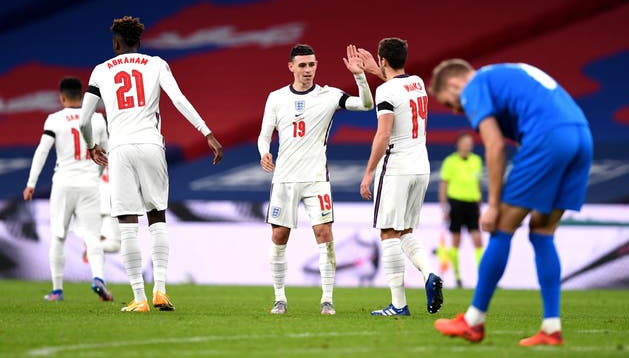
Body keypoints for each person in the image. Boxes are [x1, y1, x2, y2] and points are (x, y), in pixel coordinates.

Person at [429, 59, 592, 346]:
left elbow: (494, 145)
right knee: (542, 230)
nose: (458, 111)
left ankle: (473, 321)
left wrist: (492, 204)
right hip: (582, 136)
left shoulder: (474, 85)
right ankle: (551, 327)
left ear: (455, 85)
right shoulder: (506, 74)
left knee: (501, 225)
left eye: (451, 104)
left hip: (549, 137)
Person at [79, 16, 223, 312]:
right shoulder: (156, 64)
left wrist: (92, 145)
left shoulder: (100, 70)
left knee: (127, 223)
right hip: (151, 145)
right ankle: (160, 291)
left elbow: (84, 120)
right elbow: (179, 99)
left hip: (119, 148)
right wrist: (206, 131)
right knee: (157, 216)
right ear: (140, 42)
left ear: (116, 43)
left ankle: (139, 298)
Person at [258, 43, 374, 315]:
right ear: (291, 67)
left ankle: (327, 300)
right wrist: (265, 152)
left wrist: (360, 76)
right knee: (279, 235)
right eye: (302, 65)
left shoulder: (330, 95)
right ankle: (279, 298)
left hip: (316, 179)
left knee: (324, 234)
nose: (308, 70)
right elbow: (265, 135)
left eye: (312, 64)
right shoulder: (276, 97)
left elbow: (366, 105)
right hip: (285, 179)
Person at [358, 38, 443, 316]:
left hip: (396, 167)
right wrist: (373, 70)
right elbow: (397, 86)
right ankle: (430, 273)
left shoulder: (385, 91)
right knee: (405, 231)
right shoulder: (418, 82)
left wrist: (369, 172)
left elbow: (383, 134)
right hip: (422, 166)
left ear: (383, 59)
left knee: (388, 232)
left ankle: (398, 304)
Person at [23, 77, 113, 302]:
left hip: (63, 183)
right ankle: (99, 278)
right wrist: (97, 176)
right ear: (83, 96)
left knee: (58, 236)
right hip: (90, 184)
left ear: (62, 97)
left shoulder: (55, 119)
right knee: (93, 237)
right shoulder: (98, 118)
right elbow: (107, 154)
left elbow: (42, 151)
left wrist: (31, 183)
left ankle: (57, 290)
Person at [438, 130, 483, 288]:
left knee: (478, 240)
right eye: (464, 143)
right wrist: (444, 208)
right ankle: (457, 277)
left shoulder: (476, 160)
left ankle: (483, 278)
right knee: (456, 241)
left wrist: (479, 204)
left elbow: (477, 184)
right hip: (456, 203)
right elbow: (443, 185)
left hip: (472, 204)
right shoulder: (450, 162)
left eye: (470, 144)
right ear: (458, 144)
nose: (467, 146)